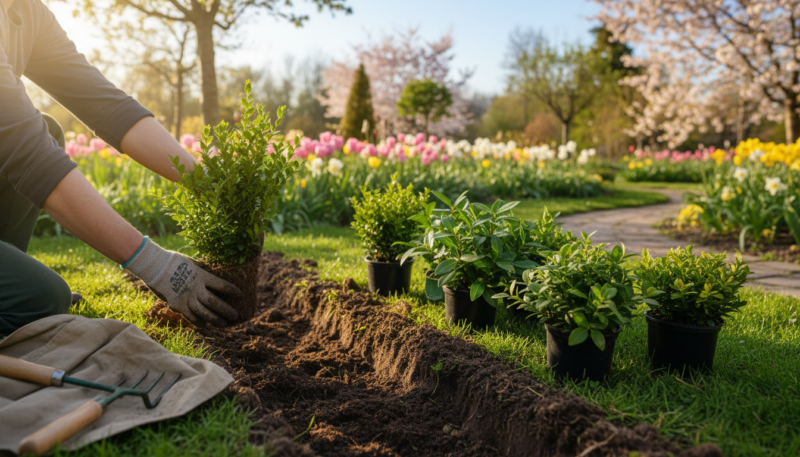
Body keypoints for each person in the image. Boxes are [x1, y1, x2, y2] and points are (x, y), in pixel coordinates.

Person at [0, 0, 240, 335]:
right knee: (42, 300)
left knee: (50, 128)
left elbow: (105, 105)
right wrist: (155, 266)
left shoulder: (27, 12)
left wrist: (208, 184)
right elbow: (31, 157)